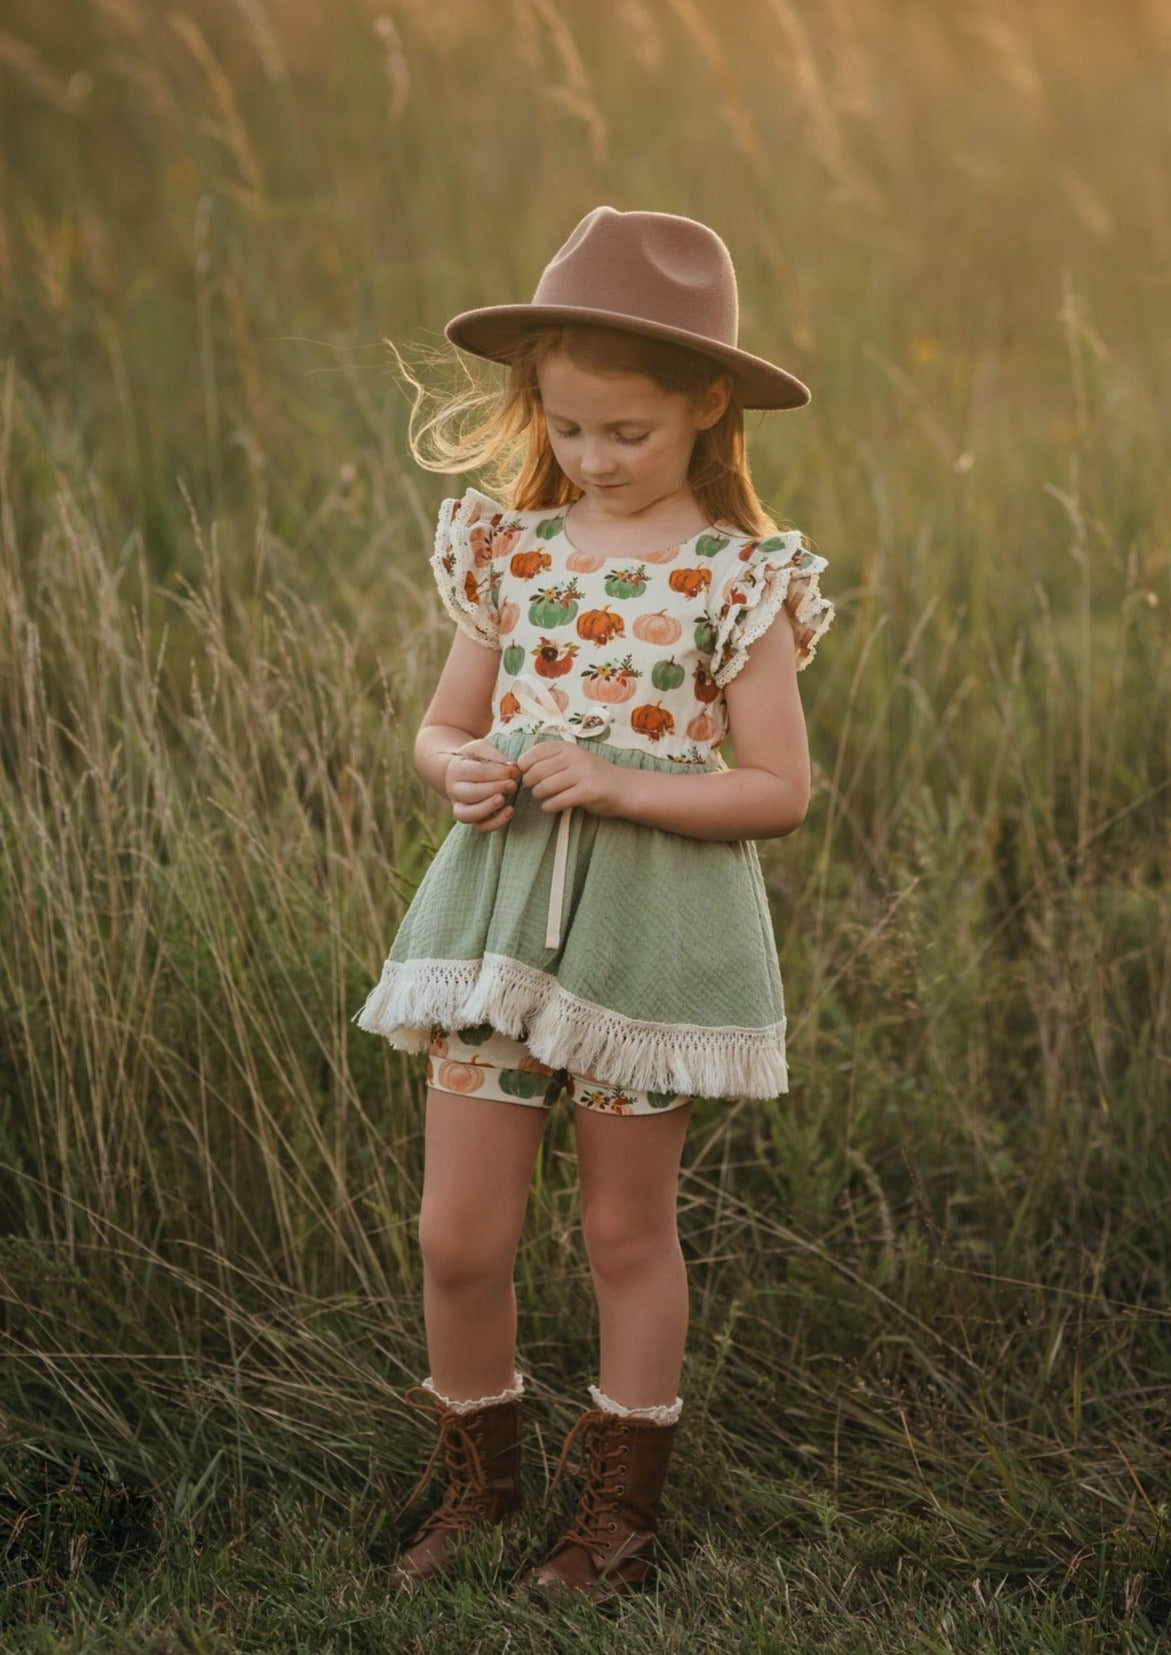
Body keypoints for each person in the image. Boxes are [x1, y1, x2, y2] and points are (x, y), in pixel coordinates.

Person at [356, 206, 834, 1601]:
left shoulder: (736, 581)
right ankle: (479, 1490)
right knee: (460, 1233)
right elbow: (440, 728)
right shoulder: (509, 553)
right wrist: (463, 773)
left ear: (706, 406)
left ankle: (616, 1518)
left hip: (650, 940)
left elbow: (775, 791)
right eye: (568, 428)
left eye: (626, 431)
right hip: (495, 926)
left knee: (626, 1231)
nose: (594, 457)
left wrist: (619, 785)